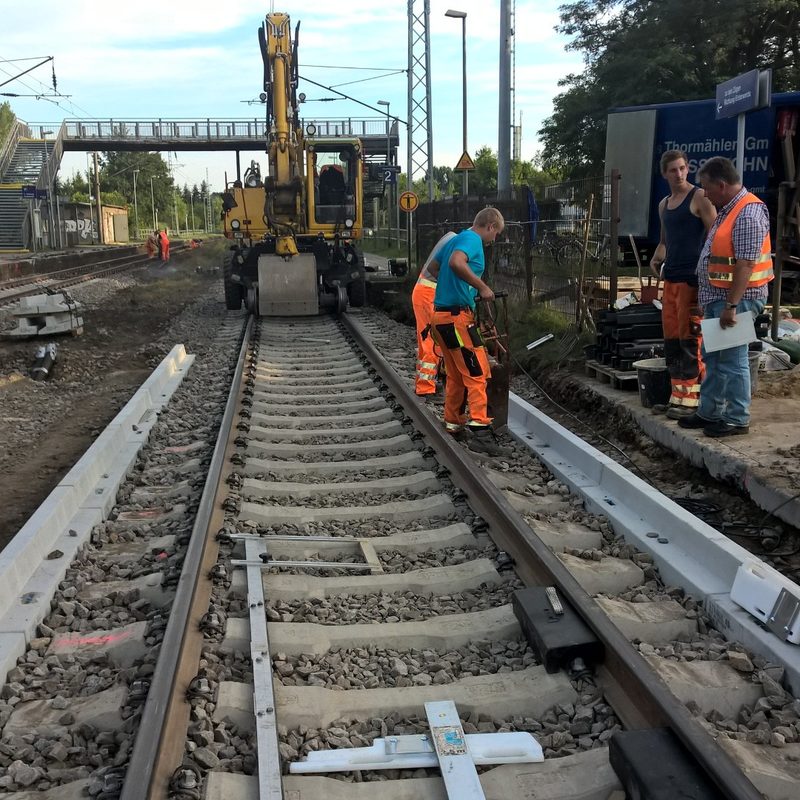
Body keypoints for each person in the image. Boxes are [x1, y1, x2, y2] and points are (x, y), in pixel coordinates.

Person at [678, 157, 773, 437]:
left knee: (732, 359)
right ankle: (711, 411)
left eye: (706, 187)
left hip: (736, 301)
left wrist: (731, 305)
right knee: (715, 357)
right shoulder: (728, 209)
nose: (704, 194)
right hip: (720, 299)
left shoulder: (747, 214)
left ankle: (736, 418)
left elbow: (745, 264)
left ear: (721, 185)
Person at [431, 207, 505, 456]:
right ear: (491, 226)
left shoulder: (454, 240)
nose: (494, 239)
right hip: (457, 319)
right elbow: (455, 263)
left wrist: (459, 288)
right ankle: (481, 432)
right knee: (476, 372)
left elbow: (434, 268)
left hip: (440, 316)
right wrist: (481, 287)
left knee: (455, 373)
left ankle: (454, 423)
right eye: (496, 234)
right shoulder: (473, 240)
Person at [649, 150, 717, 419]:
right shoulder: (664, 205)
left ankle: (694, 399)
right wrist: (658, 255)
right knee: (673, 340)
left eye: (682, 168)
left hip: (693, 279)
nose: (678, 174)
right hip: (672, 279)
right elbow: (665, 241)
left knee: (691, 338)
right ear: (664, 173)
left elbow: (713, 237)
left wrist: (708, 279)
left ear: (688, 168)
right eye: (672, 170)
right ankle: (678, 394)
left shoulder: (699, 197)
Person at [412, 231, 456, 396]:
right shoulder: (458, 245)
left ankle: (424, 383)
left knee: (427, 341)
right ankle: (426, 387)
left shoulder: (450, 238)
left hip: (425, 293)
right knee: (431, 342)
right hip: (428, 295)